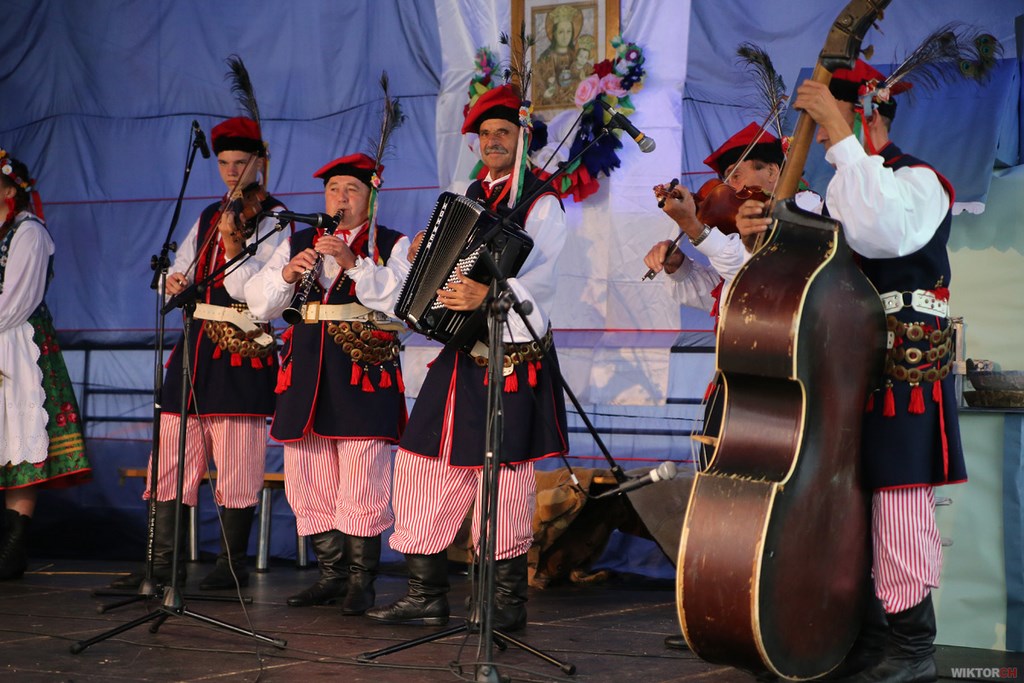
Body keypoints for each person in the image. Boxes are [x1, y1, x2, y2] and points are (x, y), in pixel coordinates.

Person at [737, 60, 967, 682]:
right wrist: (761, 232)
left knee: (898, 498)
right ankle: (860, 634)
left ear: (864, 112)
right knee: (844, 501)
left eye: (826, 117)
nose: (818, 133)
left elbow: (883, 232)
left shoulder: (918, 180)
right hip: (841, 370)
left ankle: (913, 647)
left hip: (903, 370)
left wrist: (841, 136)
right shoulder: (839, 189)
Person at [366, 84, 569, 632]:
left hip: (511, 359)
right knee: (419, 463)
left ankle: (503, 601)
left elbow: (546, 283)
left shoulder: (543, 203)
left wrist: (491, 294)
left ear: (524, 140)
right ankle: (425, 594)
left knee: (504, 478)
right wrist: (418, 257)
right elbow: (443, 265)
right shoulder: (465, 193)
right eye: (485, 134)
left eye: (503, 132)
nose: (493, 141)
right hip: (461, 357)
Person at [110, 117, 289, 591]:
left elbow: (257, 291)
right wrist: (175, 278)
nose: (231, 171)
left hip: (242, 347)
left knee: (238, 459)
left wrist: (234, 244)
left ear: (261, 163)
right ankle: (160, 564)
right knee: (171, 451)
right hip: (197, 343)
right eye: (224, 163)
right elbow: (185, 264)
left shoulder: (277, 218)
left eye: (241, 163)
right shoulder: (212, 212)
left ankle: (231, 566)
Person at [245, 153, 410, 614]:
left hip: (363, 373)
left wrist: (353, 262)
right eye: (333, 189)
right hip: (306, 373)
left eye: (351, 190)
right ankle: (332, 576)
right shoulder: (299, 241)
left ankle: (361, 582)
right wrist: (286, 274)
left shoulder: (392, 244)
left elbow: (399, 301)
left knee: (362, 476)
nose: (340, 197)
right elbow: (259, 304)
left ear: (371, 198)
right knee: (307, 477)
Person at [0, 150, 91, 580]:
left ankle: (12, 546)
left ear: (10, 189)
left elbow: (15, 301)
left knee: (19, 439)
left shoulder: (29, 232)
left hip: (17, 345)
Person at [535, 4, 583, 107]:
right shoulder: (545, 58)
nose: (565, 36)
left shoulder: (577, 56)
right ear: (554, 33)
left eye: (568, 32)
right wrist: (545, 93)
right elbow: (538, 83)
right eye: (561, 32)